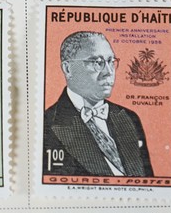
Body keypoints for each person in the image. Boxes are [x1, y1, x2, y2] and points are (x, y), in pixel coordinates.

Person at [43, 31, 153, 177]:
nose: (109, 72)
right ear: (68, 69)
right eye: (97, 62)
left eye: (111, 61)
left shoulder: (128, 117)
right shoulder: (47, 124)